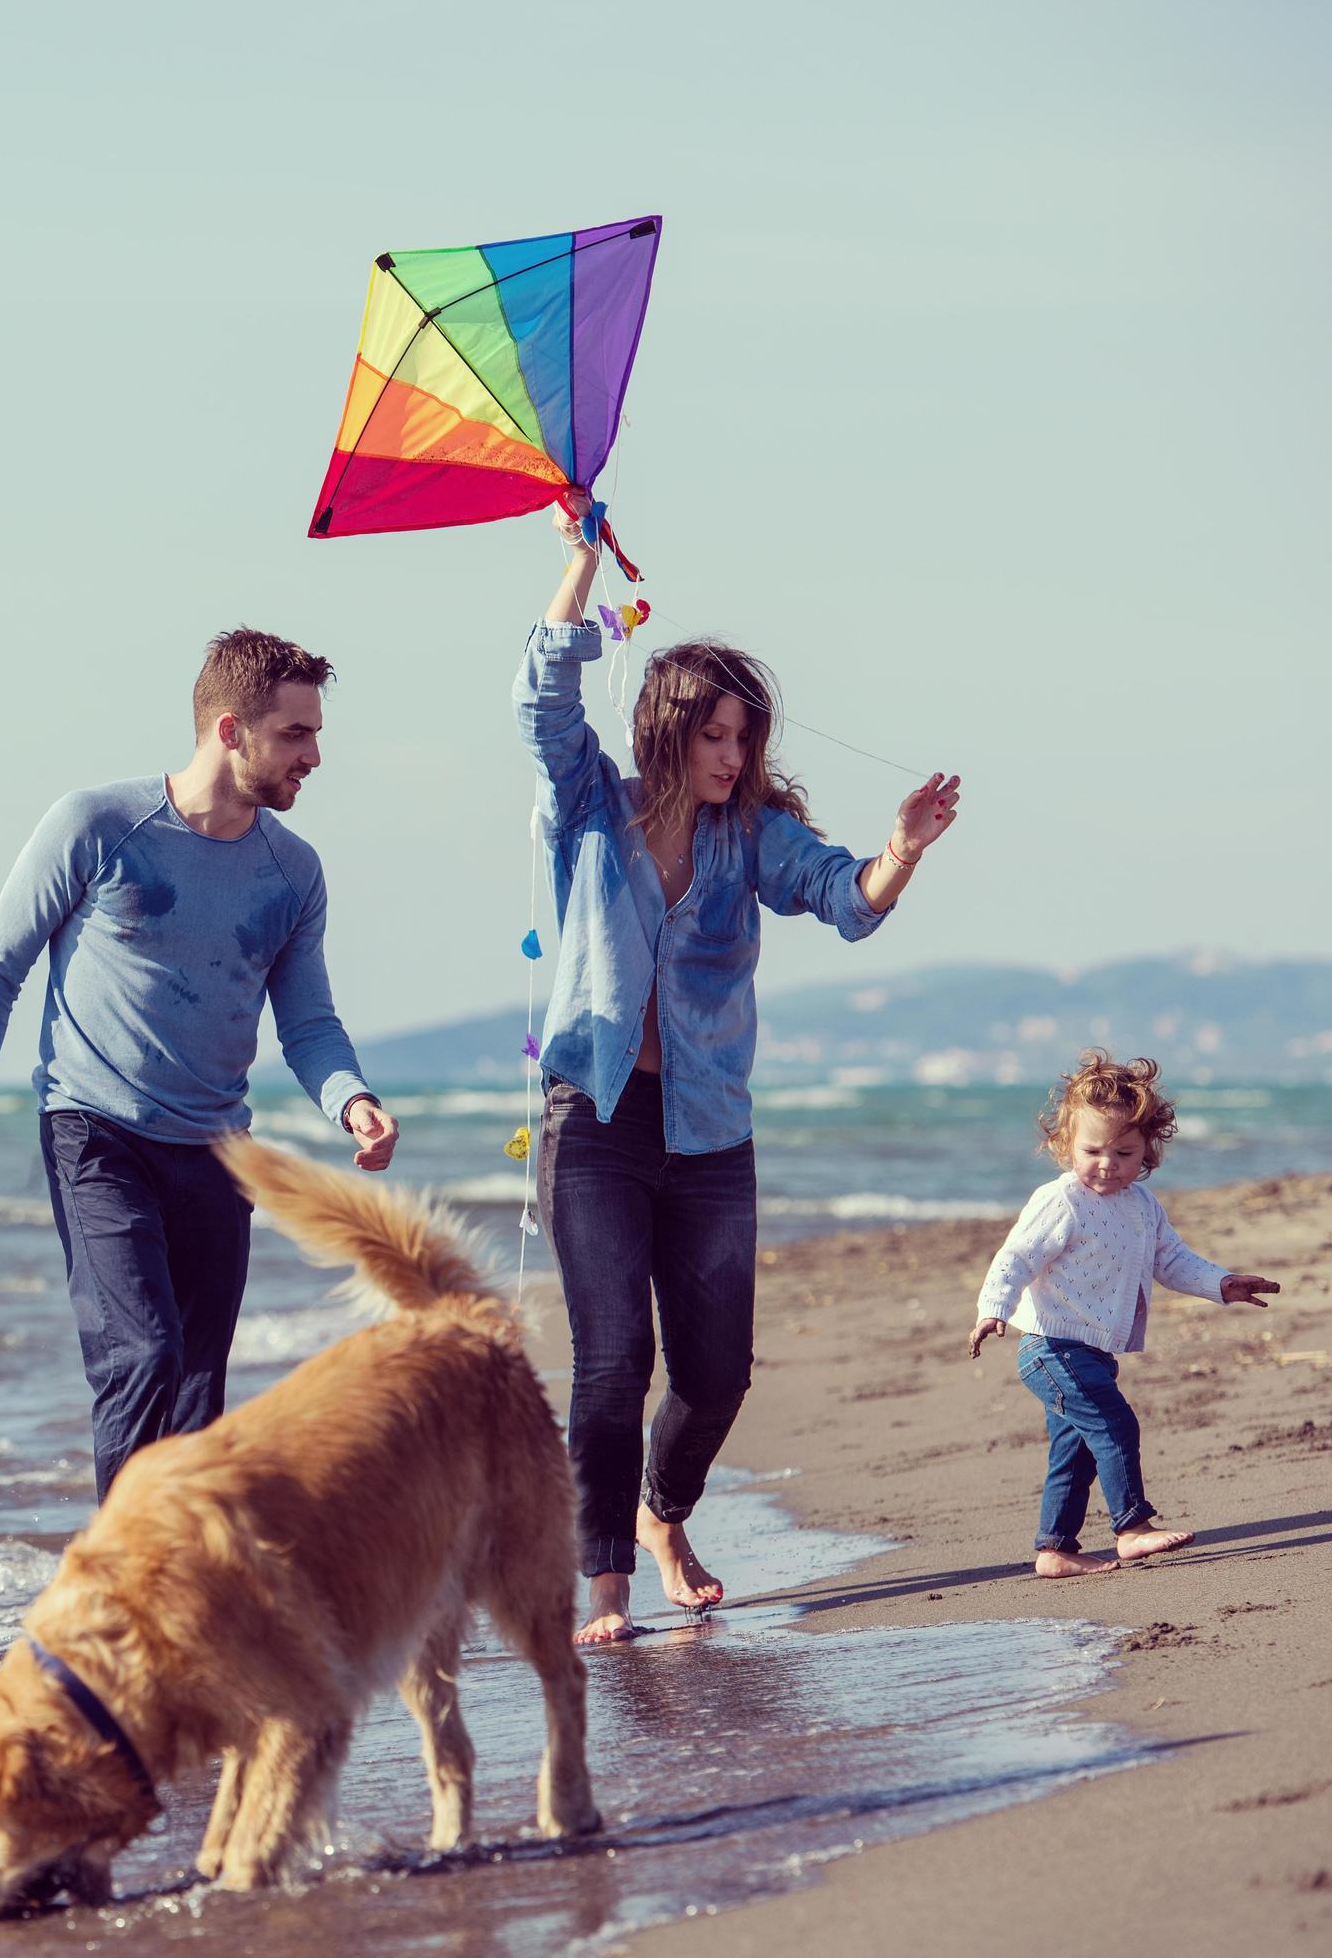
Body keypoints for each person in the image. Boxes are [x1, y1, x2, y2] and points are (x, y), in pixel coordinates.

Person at [518, 494, 961, 1646]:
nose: (733, 757)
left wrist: (901, 851)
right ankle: (604, 1583)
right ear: (670, 731)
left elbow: (844, 902)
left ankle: (667, 1512)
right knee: (614, 1358)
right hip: (599, 1120)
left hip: (710, 1132)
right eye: (714, 737)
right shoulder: (590, 808)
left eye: (744, 740)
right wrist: (576, 564)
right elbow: (540, 695)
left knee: (716, 1376)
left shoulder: (751, 832)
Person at [0, 627, 399, 1497]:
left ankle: (185, 1596)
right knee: (141, 1354)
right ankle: (118, 1594)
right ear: (231, 730)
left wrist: (350, 1100)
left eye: (316, 734)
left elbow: (306, 1021)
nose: (315, 756)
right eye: (295, 735)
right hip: (94, 1132)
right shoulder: (97, 825)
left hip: (217, 1151)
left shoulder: (291, 871)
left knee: (195, 1399)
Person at [967, 1053, 1281, 1576]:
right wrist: (993, 1309)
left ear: (1148, 1153)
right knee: (1115, 1424)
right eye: (1092, 1150)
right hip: (1049, 1348)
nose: (1107, 1163)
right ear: (1065, 1146)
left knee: (1077, 1450)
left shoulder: (1142, 1206)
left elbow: (1172, 1261)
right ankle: (1132, 1526)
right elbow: (1015, 1257)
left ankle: (1055, 1549)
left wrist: (1221, 1284)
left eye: (1124, 1151)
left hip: (1092, 1352)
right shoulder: (1061, 1200)